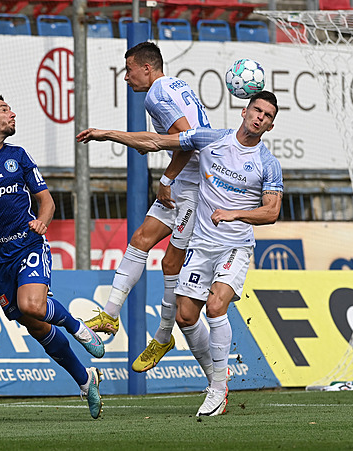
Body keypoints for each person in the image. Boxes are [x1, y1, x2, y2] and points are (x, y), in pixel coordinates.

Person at [77, 90, 283, 416]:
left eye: (268, 116)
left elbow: (271, 212)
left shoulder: (268, 164)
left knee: (216, 306)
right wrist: (107, 134)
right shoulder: (211, 139)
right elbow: (156, 141)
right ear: (244, 111)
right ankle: (217, 379)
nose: (260, 117)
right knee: (186, 316)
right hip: (202, 246)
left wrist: (235, 214)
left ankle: (216, 390)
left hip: (235, 246)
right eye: (257, 110)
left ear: (270, 126)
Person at [0, 94, 105, 419]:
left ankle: (77, 327)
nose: (12, 113)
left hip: (29, 245)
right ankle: (86, 382)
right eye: (4, 109)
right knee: (33, 324)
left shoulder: (19, 156)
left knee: (33, 306)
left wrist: (43, 220)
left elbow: (46, 200)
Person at [85, 42, 214, 375]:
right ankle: (110, 314)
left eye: (129, 69)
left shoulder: (156, 95)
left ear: (147, 67)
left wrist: (167, 178)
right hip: (184, 182)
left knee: (171, 260)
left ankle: (162, 336)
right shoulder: (176, 85)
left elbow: (188, 141)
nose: (126, 77)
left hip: (194, 189)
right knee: (141, 238)